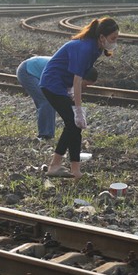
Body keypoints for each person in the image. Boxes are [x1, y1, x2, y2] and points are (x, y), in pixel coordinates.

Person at [39, 17, 118, 178]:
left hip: (61, 85)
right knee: (72, 123)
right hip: (52, 84)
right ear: (102, 37)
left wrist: (74, 101)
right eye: (113, 38)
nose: (114, 42)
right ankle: (55, 166)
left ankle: (75, 170)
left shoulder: (96, 49)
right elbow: (77, 80)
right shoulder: (86, 48)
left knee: (74, 126)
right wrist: (78, 109)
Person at [17, 55, 56, 141]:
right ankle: (44, 135)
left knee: (50, 101)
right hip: (27, 71)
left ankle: (49, 135)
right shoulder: (65, 72)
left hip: (36, 69)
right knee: (46, 101)